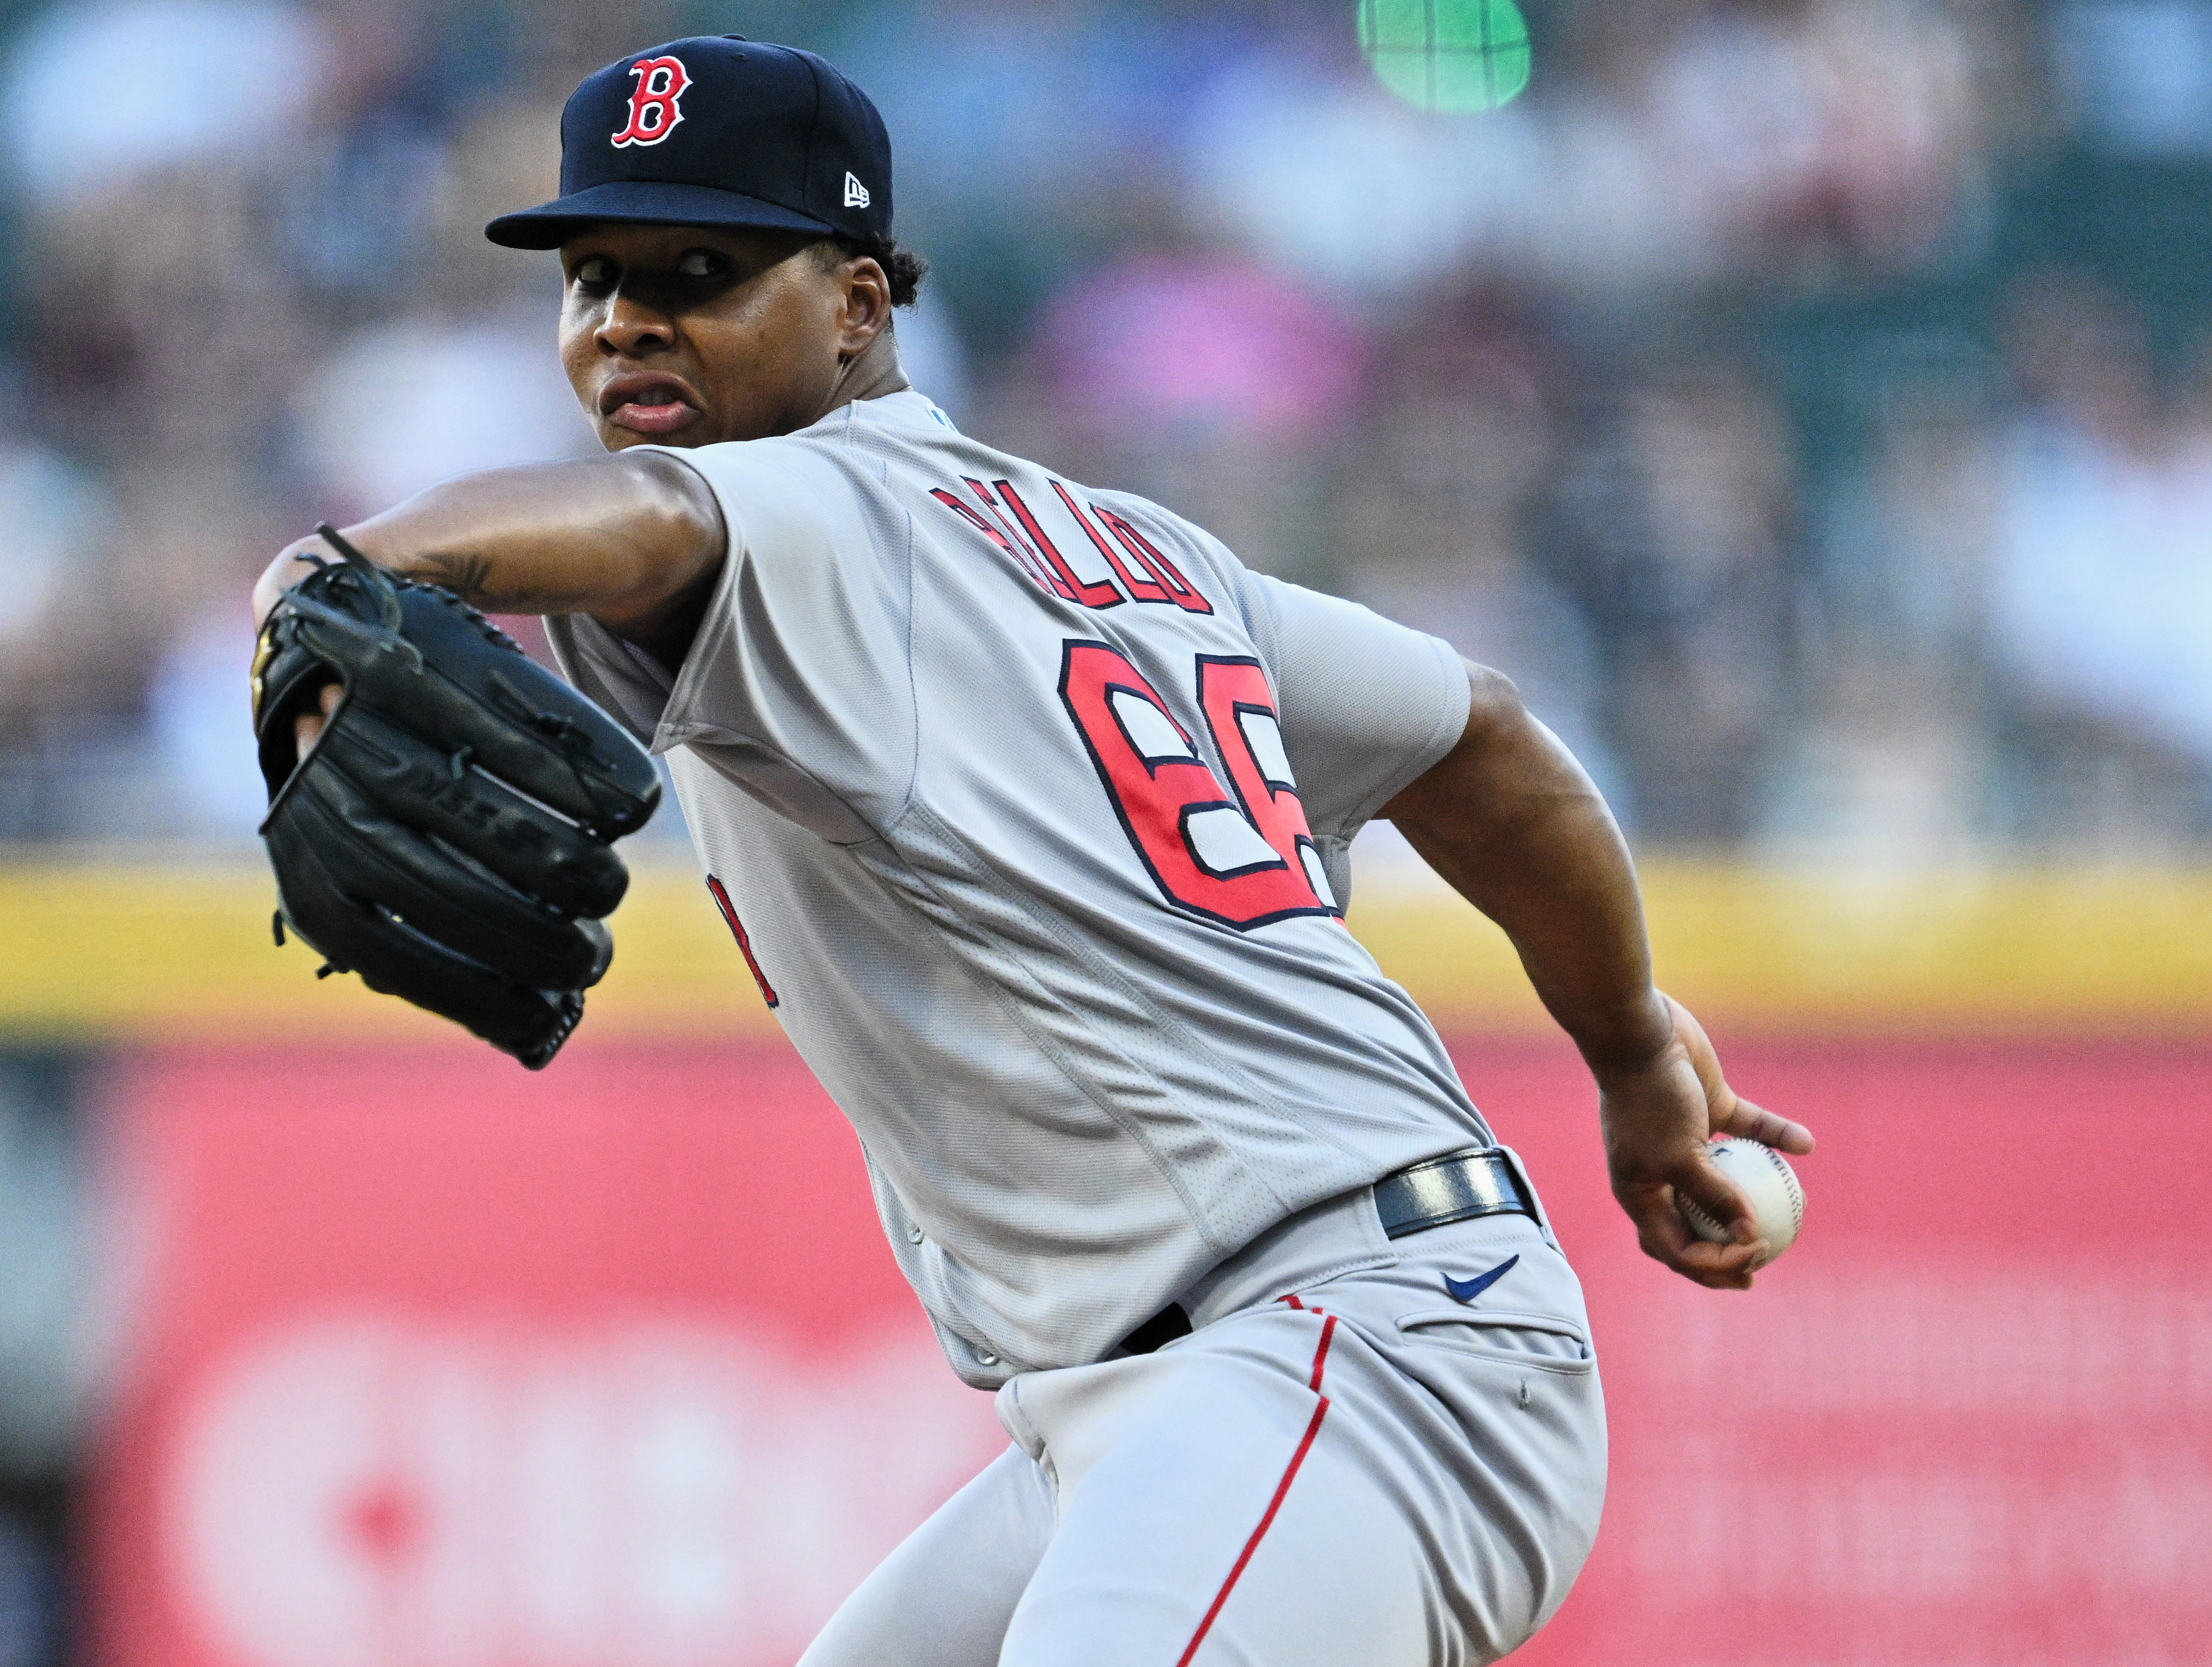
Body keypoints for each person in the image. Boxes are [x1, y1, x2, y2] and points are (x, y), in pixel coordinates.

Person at [253, 35, 1816, 1667]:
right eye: (592, 280)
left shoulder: (804, 510)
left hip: (1334, 1360)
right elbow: (1481, 735)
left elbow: (652, 520)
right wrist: (1630, 1048)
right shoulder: (1139, 548)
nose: (627, 319)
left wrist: (325, 570)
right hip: (1203, 1386)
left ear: (859, 306)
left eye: (701, 272)